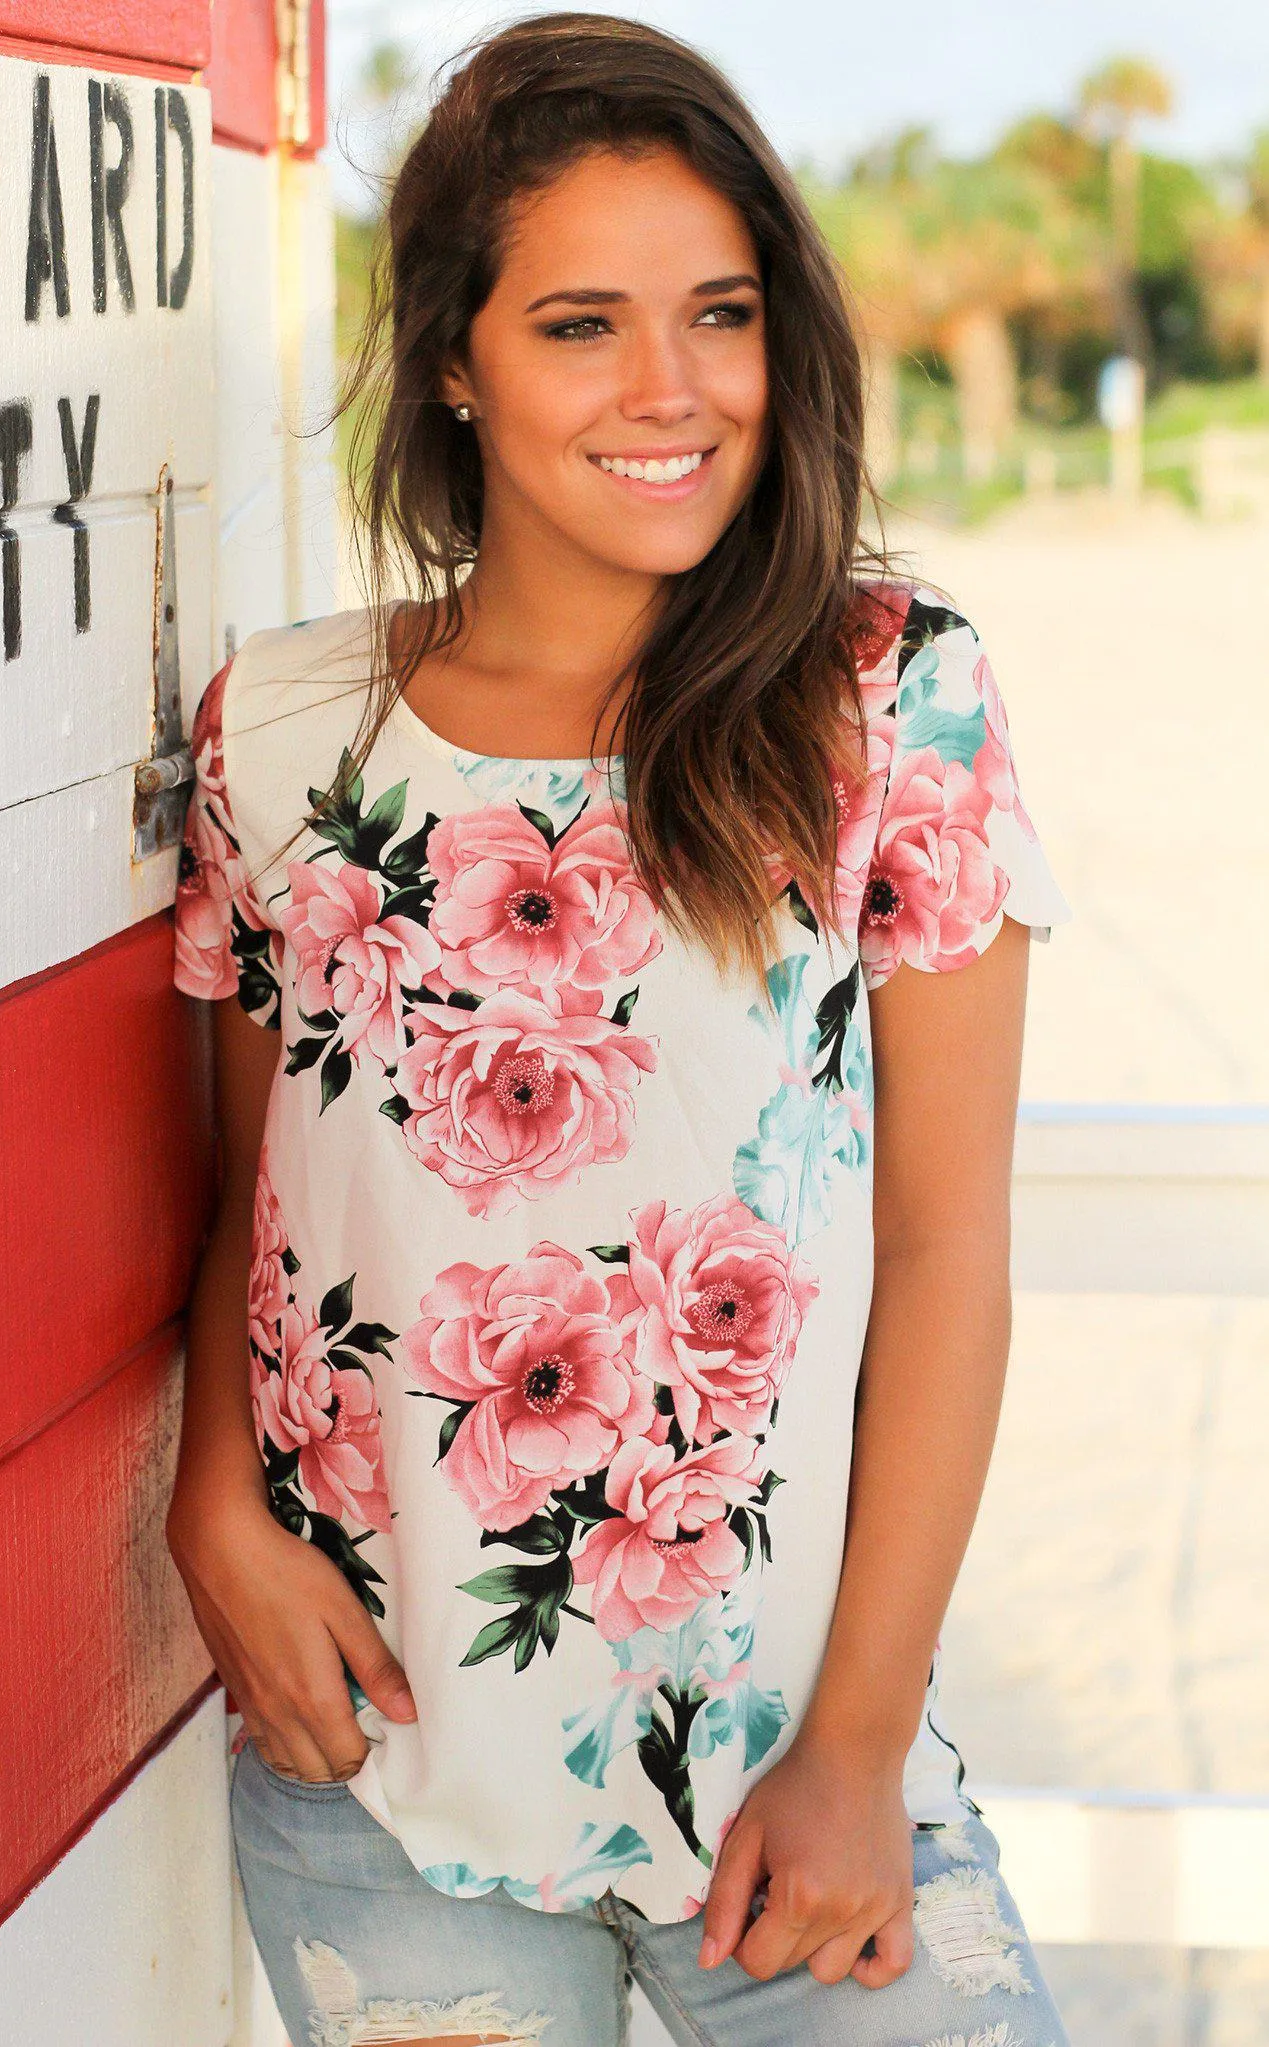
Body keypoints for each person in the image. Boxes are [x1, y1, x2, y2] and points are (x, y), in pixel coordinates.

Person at [167, 14, 1073, 2045]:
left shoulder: (883, 701)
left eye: (721, 314)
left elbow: (945, 1253)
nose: (672, 392)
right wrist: (210, 1504)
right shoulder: (289, 729)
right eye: (581, 322)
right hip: (379, 1790)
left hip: (804, 1798)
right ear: (456, 361)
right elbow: (261, 1213)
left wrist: (856, 1750)